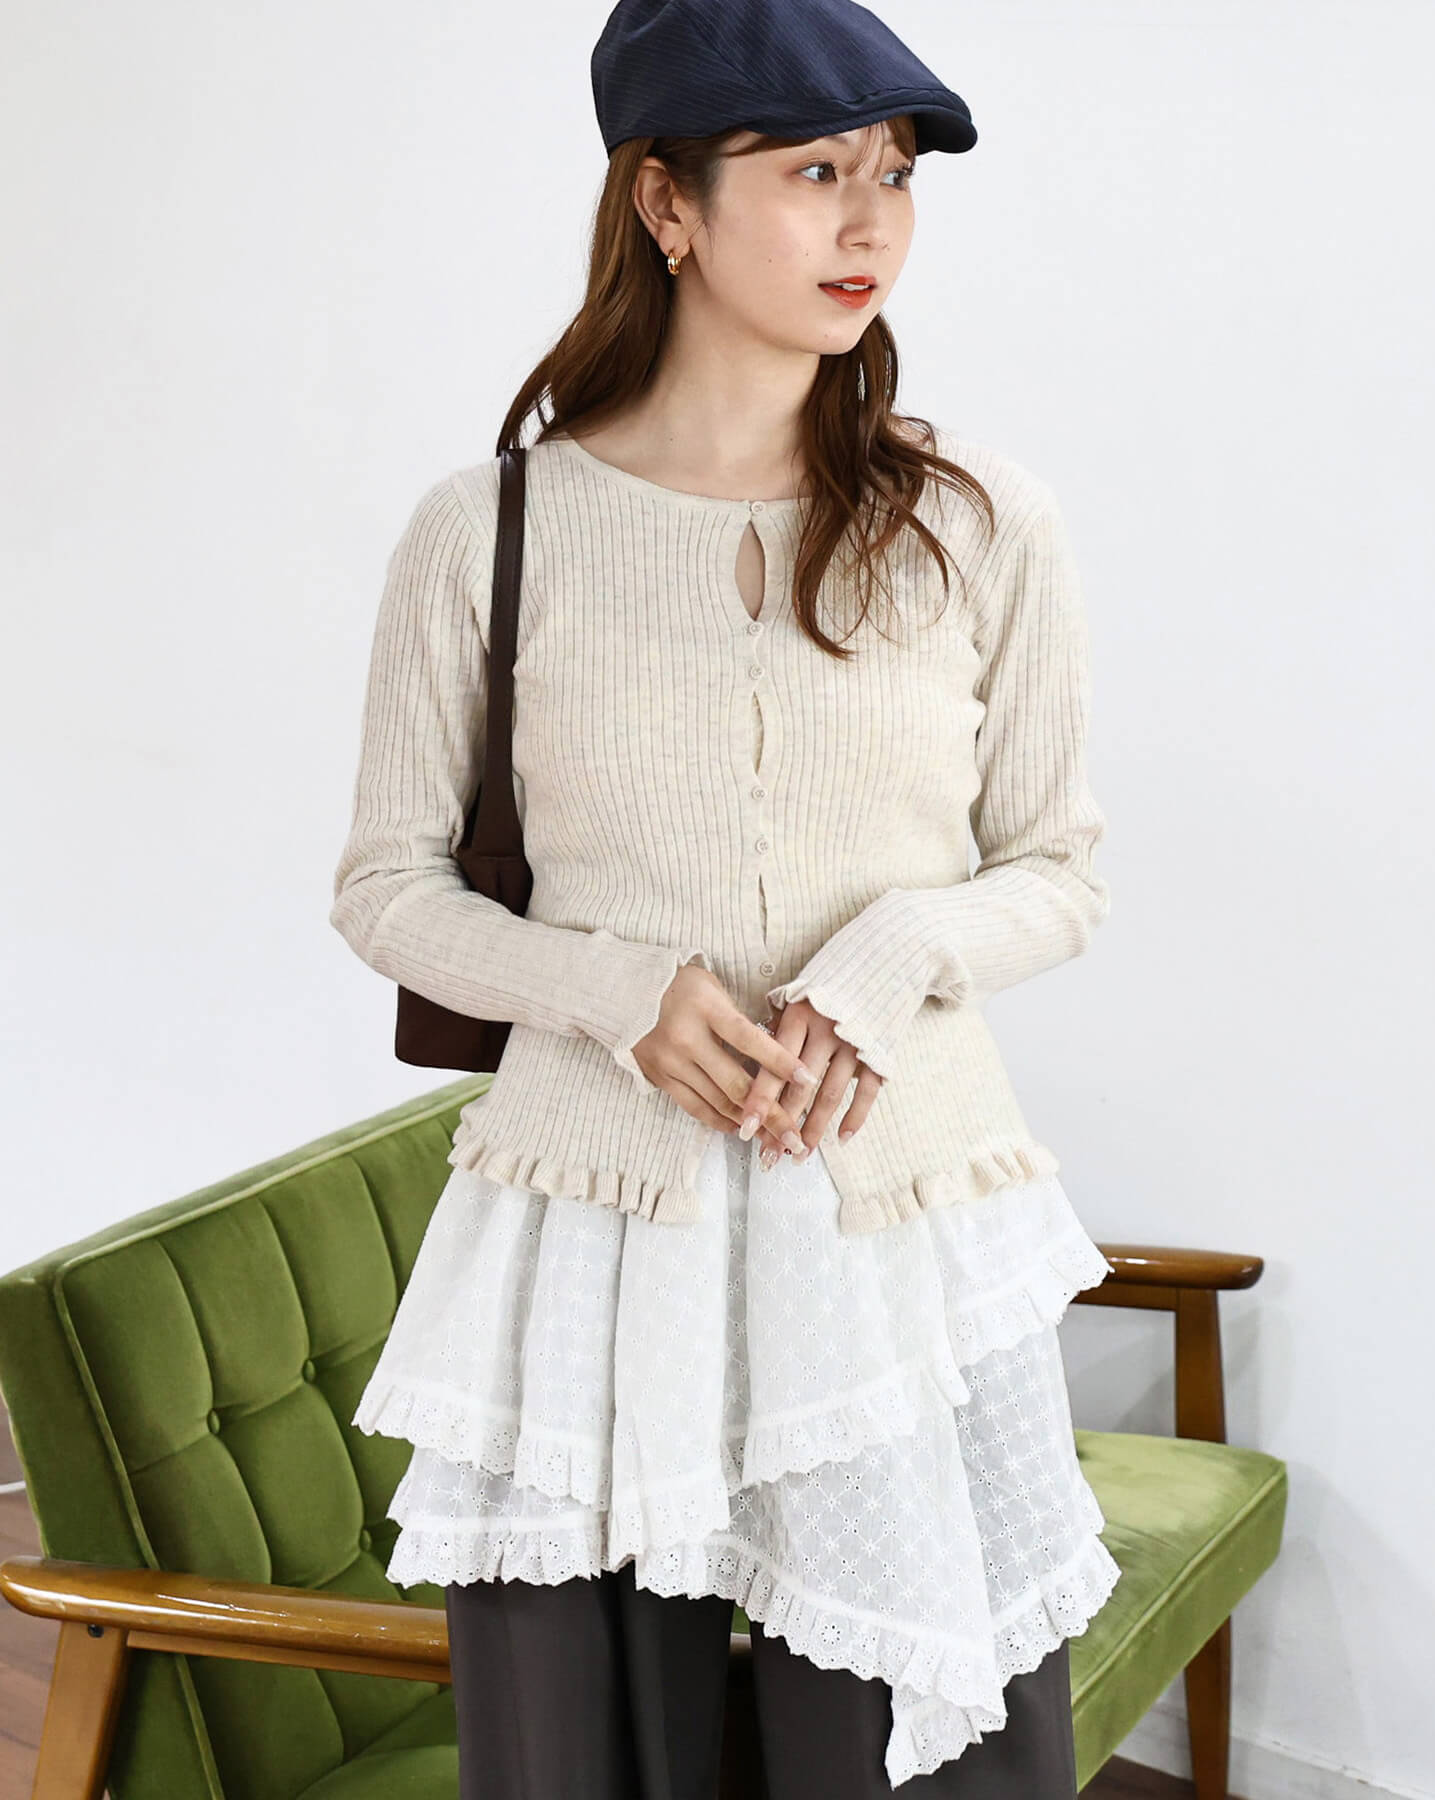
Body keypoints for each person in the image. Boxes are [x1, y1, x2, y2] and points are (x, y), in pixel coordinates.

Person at [329, 0, 1123, 1793]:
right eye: (816, 171)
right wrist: (617, 991)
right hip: (596, 1237)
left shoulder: (982, 520)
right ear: (665, 202)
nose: (872, 221)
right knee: (591, 1744)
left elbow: (1059, 870)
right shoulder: (487, 530)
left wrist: (897, 950)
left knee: (922, 1747)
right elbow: (386, 887)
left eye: (896, 176)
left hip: (901, 1227)